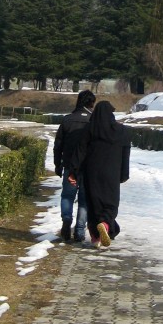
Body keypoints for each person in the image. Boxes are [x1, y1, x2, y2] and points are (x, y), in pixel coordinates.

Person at [68, 100, 130, 248]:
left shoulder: (90, 129)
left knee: (93, 204)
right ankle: (105, 226)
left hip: (92, 173)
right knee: (110, 205)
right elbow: (125, 155)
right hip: (112, 174)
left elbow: (80, 151)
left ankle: (96, 237)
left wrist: (73, 172)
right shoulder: (122, 131)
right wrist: (123, 175)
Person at [53, 89, 96, 241]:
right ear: (91, 103)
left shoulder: (67, 120)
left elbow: (58, 145)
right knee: (84, 200)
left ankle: (66, 220)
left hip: (69, 166)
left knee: (67, 196)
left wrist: (58, 164)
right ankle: (79, 231)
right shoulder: (93, 121)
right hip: (87, 167)